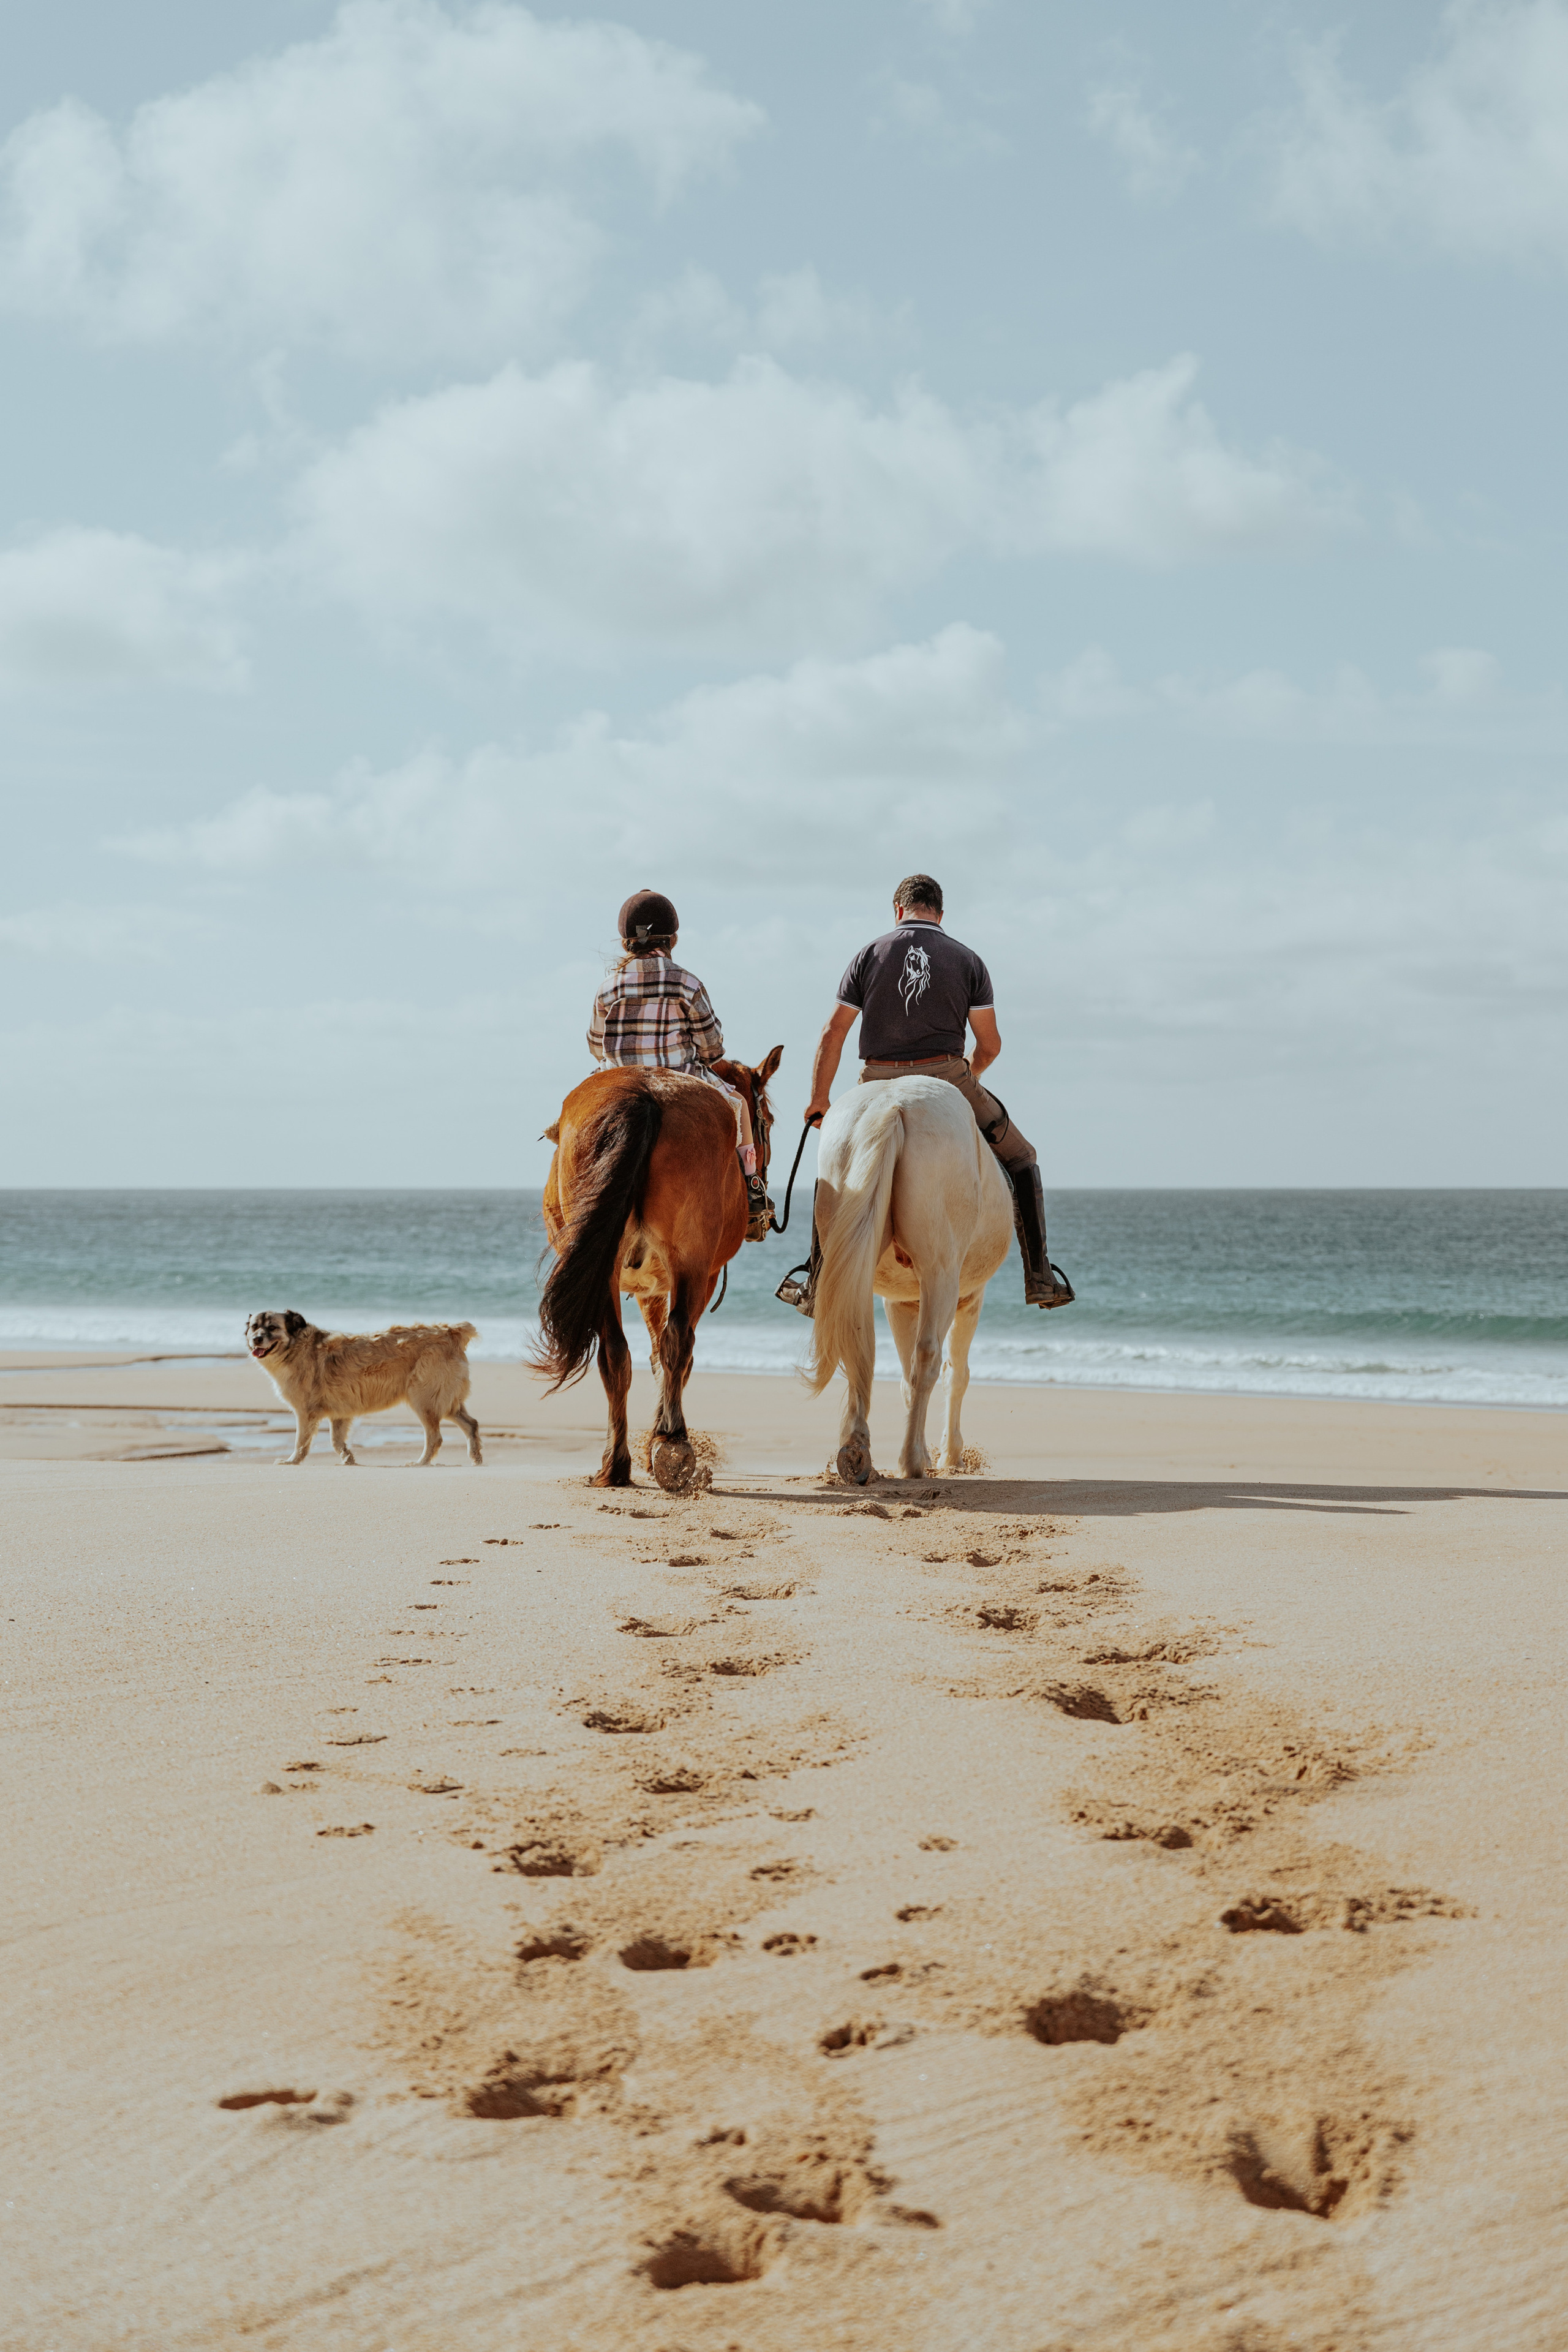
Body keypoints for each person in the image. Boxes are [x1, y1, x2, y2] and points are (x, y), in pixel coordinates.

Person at [783, 872, 1073, 1312]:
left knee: (835, 1160)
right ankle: (1040, 1278)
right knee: (1022, 1157)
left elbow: (833, 1033)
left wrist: (820, 1100)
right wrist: (966, 1081)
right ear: (940, 913)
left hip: (875, 1078)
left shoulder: (868, 955)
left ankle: (815, 1279)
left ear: (897, 910)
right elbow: (990, 1045)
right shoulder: (968, 960)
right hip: (947, 1077)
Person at [589, 888, 772, 1241]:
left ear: (626, 943)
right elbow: (712, 1047)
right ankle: (752, 1187)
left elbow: (597, 1046)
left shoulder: (607, 987)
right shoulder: (687, 982)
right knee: (739, 1107)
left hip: (620, 1081)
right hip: (683, 1080)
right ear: (673, 939)